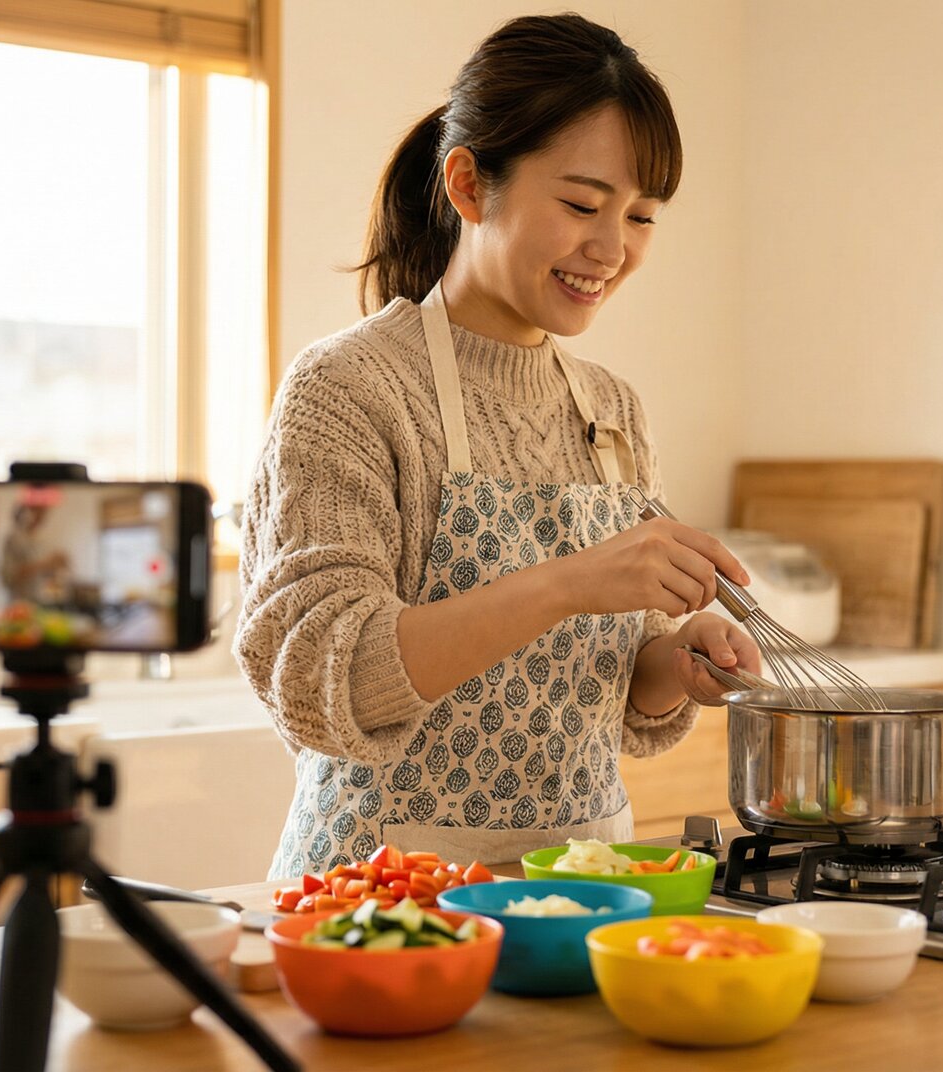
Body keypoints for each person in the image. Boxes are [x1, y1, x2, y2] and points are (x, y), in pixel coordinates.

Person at [236, 13, 761, 878]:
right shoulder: (350, 387)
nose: (612, 248)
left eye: (642, 216)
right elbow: (324, 677)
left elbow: (618, 689)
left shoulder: (612, 410)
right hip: (382, 905)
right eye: (583, 204)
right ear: (470, 186)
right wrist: (568, 583)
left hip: (578, 895)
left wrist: (679, 661)